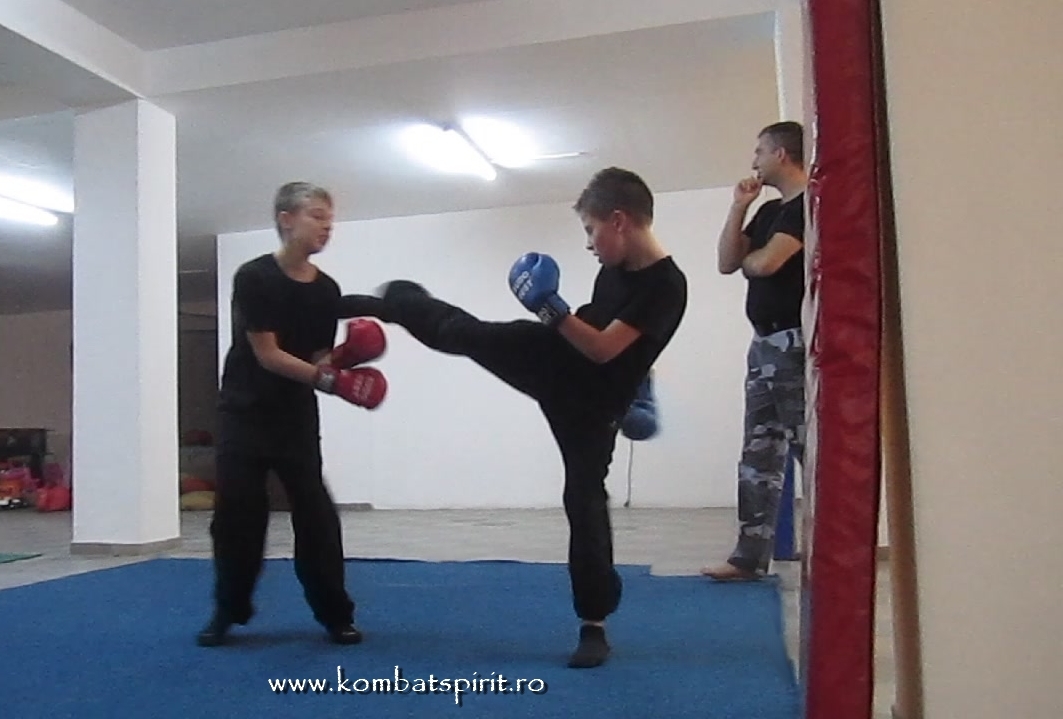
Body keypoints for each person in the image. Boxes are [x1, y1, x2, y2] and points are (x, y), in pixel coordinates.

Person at [363, 167, 688, 669]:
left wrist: (549, 308)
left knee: (583, 500)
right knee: (471, 335)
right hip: (556, 362)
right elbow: (598, 328)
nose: (588, 244)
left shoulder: (666, 285)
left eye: (591, 230)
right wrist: (555, 321)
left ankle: (594, 623)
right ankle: (399, 301)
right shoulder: (614, 270)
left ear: (619, 220)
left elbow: (605, 350)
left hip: (595, 406)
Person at [198, 181, 389, 647]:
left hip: (294, 415)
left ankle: (336, 615)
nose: (327, 227)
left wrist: (345, 361)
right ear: (286, 219)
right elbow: (268, 354)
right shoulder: (254, 277)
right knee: (237, 517)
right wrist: (332, 381)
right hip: (243, 412)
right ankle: (228, 610)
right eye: (317, 216)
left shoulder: (327, 290)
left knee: (317, 516)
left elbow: (318, 358)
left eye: (330, 219)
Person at [701, 121, 808, 581]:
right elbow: (728, 261)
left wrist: (751, 261)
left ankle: (830, 556)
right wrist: (738, 207)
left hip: (793, 345)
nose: (754, 161)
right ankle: (747, 559)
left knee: (808, 449)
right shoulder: (767, 212)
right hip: (762, 345)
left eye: (760, 151)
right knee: (758, 455)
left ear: (781, 154)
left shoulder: (807, 207)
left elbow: (765, 263)